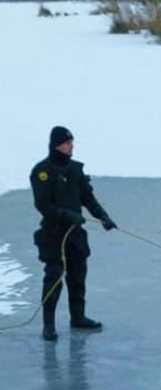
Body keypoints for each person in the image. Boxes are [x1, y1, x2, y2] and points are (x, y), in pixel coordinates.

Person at [30, 126, 117, 342]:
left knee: (78, 276)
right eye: (68, 143)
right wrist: (67, 215)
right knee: (54, 277)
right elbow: (43, 205)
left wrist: (104, 216)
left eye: (72, 142)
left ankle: (77, 317)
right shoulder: (42, 172)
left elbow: (88, 198)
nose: (72, 146)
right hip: (53, 234)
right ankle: (48, 325)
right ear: (57, 144)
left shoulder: (76, 170)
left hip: (75, 234)